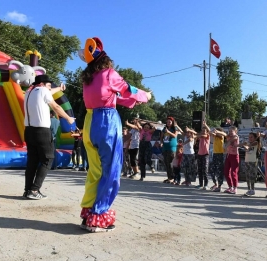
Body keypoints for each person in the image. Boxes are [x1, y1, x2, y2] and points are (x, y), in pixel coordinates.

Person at [78, 37, 150, 232]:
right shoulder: (109, 74)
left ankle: (88, 214)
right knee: (110, 172)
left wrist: (134, 101)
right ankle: (98, 216)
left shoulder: (88, 80)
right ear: (106, 61)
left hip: (89, 122)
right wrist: (145, 96)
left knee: (95, 171)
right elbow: (129, 90)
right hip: (106, 123)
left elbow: (117, 97)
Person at [23, 74, 74, 199]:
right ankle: (35, 190)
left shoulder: (29, 93)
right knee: (48, 159)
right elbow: (56, 106)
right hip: (42, 131)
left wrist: (59, 89)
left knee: (32, 162)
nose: (50, 88)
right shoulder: (44, 91)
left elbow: (47, 90)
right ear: (42, 84)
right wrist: (68, 118)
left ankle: (27, 190)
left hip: (29, 131)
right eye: (49, 85)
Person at [241, 132, 261, 196]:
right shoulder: (248, 143)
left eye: (251, 137)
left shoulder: (256, 143)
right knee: (247, 176)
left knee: (252, 176)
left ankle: (252, 189)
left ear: (255, 138)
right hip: (247, 161)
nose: (250, 138)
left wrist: (246, 145)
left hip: (253, 161)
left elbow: (251, 145)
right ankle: (249, 189)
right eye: (249, 137)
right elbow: (241, 145)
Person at [161, 117, 179, 183]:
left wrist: (168, 132)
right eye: (167, 122)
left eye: (170, 122)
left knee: (171, 163)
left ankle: (174, 178)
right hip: (165, 147)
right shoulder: (164, 128)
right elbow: (161, 136)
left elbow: (175, 136)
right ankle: (169, 177)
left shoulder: (175, 128)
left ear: (172, 122)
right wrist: (161, 142)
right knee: (166, 163)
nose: (168, 123)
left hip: (172, 148)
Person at [209, 127, 227, 192]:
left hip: (220, 154)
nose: (215, 132)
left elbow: (224, 134)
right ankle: (215, 184)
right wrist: (205, 125)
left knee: (220, 171)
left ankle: (219, 186)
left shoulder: (221, 136)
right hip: (215, 154)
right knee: (212, 170)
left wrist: (217, 132)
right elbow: (210, 132)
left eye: (216, 131)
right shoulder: (215, 136)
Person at [223, 126, 240, 194]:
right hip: (228, 155)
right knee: (226, 171)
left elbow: (230, 141)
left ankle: (235, 187)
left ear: (235, 132)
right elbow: (224, 134)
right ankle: (230, 186)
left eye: (231, 131)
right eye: (229, 131)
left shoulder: (236, 136)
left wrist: (225, 146)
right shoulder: (229, 136)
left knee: (233, 172)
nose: (230, 133)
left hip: (235, 156)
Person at [195, 121, 211, 190]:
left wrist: (205, 125)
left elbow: (209, 131)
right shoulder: (200, 136)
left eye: (205, 131)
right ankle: (200, 184)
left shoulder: (207, 136)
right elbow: (197, 135)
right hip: (199, 154)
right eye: (202, 130)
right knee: (200, 170)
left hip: (205, 154)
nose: (203, 132)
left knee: (205, 169)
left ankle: (206, 184)